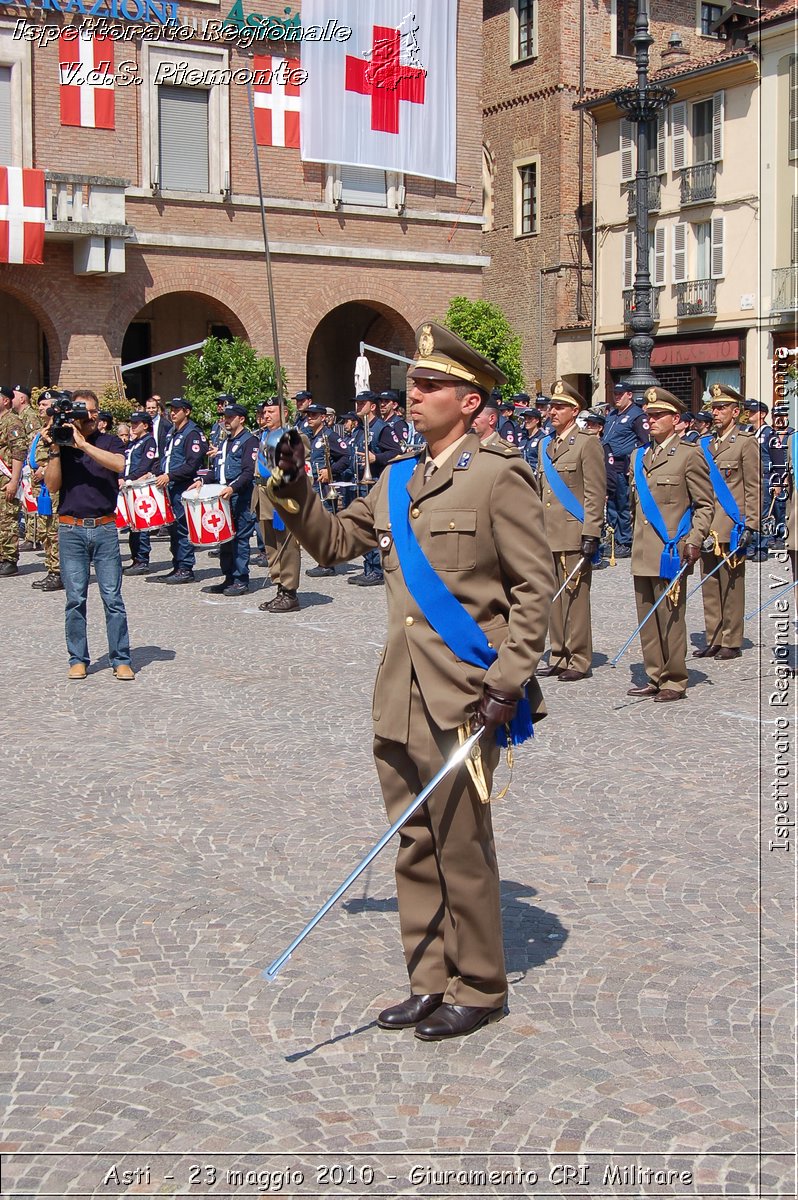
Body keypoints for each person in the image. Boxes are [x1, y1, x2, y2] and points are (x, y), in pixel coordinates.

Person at [269, 321, 554, 1041]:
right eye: (413, 384)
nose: (413, 395)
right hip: (399, 693)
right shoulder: (399, 478)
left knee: (461, 843)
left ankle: (482, 985)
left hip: (464, 693)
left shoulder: (497, 472)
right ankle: (428, 981)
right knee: (413, 841)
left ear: (468, 400)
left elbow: (533, 587)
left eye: (429, 386)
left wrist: (509, 682)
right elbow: (335, 546)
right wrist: (295, 484)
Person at [627, 388, 714, 702]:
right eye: (648, 415)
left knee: (671, 617)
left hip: (671, 551)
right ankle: (654, 674)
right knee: (648, 617)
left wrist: (694, 540)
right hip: (642, 550)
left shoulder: (689, 455)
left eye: (657, 415)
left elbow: (705, 505)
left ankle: (674, 679)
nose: (649, 420)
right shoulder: (640, 456)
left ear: (675, 419)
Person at [42, 390, 134, 681]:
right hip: (71, 528)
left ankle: (120, 658)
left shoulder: (108, 441)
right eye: (82, 412)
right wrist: (57, 448)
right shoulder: (63, 442)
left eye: (93, 411)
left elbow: (119, 465)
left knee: (112, 598)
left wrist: (83, 445)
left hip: (105, 527)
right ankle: (77, 658)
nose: (89, 416)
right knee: (75, 599)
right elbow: (53, 486)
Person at [537, 380, 606, 681]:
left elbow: (594, 491)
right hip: (547, 533)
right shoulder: (546, 445)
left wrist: (592, 531)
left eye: (559, 406)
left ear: (575, 410)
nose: (552, 411)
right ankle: (558, 652)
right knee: (553, 596)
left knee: (575, 598)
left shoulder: (587, 443)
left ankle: (578, 658)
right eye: (551, 406)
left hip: (574, 531)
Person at [693, 383, 758, 659]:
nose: (716, 413)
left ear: (736, 412)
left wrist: (750, 524)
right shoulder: (704, 444)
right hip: (707, 522)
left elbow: (754, 487)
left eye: (721, 408)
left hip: (731, 523)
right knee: (709, 581)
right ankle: (714, 636)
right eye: (714, 408)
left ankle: (731, 639)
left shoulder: (745, 443)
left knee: (731, 583)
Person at [252, 397, 305, 613]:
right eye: (264, 412)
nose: (266, 415)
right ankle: (280, 587)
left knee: (287, 545)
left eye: (271, 412)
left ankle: (290, 591)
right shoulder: (264, 435)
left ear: (283, 413)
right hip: (263, 493)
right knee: (271, 545)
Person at [201, 402, 258, 596]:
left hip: (240, 498)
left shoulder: (249, 441)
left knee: (240, 539)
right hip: (223, 497)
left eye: (230, 417)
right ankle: (228, 577)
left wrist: (232, 488)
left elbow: (248, 472)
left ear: (241, 419)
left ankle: (241, 579)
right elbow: (218, 470)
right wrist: (202, 480)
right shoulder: (226, 442)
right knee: (225, 539)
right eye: (225, 417)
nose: (226, 421)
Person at [347, 390, 403, 587]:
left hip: (376, 482)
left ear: (372, 406)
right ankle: (368, 567)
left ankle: (377, 570)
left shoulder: (382, 428)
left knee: (374, 525)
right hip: (361, 483)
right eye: (357, 403)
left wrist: (376, 458)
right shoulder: (361, 428)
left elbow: (397, 452)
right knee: (363, 525)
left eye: (362, 404)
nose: (358, 407)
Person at [154, 398, 209, 585]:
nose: (173, 413)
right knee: (174, 529)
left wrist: (170, 475)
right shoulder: (172, 432)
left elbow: (192, 464)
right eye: (172, 409)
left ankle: (186, 568)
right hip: (169, 486)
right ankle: (177, 565)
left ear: (187, 412)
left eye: (177, 410)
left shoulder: (192, 433)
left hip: (182, 486)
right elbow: (166, 458)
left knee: (182, 528)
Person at [601, 381, 649, 559]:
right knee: (611, 503)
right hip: (609, 465)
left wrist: (636, 465)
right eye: (615, 394)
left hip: (624, 466)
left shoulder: (636, 415)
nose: (617, 397)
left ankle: (625, 541)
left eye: (621, 394)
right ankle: (613, 538)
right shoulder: (612, 414)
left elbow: (645, 442)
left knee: (623, 504)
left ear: (629, 395)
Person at [29, 392, 62, 591]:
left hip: (52, 488)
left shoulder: (58, 430)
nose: (40, 407)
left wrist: (44, 469)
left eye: (44, 404)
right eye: (39, 404)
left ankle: (59, 572)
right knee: (45, 531)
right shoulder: (43, 429)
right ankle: (51, 570)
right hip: (41, 490)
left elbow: (60, 456)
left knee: (55, 531)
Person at [121, 410, 160, 575]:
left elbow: (144, 465)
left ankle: (142, 559)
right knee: (132, 526)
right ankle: (135, 558)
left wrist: (128, 478)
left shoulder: (149, 442)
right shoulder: (132, 443)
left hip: (139, 487)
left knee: (141, 525)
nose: (133, 427)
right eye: (132, 423)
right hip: (129, 486)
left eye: (136, 424)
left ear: (145, 425)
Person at [743, 399, 775, 561]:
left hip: (765, 477)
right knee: (750, 512)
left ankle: (762, 547)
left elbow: (777, 459)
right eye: (748, 411)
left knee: (764, 514)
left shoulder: (769, 433)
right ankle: (750, 545)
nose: (749, 414)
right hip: (749, 478)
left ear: (762, 415)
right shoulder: (746, 431)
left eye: (753, 412)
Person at [0, 385, 27, 576]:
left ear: (5, 400)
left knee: (7, 519)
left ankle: (9, 559)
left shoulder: (12, 422)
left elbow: (18, 452)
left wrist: (14, 480)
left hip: (6, 477)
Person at [145, 395, 171, 460]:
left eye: (153, 408)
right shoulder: (142, 425)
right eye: (149, 408)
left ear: (158, 408)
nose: (151, 410)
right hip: (145, 460)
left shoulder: (166, 425)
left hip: (159, 459)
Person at [519, 408, 545, 473]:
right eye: (525, 418)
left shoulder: (542, 438)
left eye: (529, 418)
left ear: (537, 420)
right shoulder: (523, 438)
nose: (526, 421)